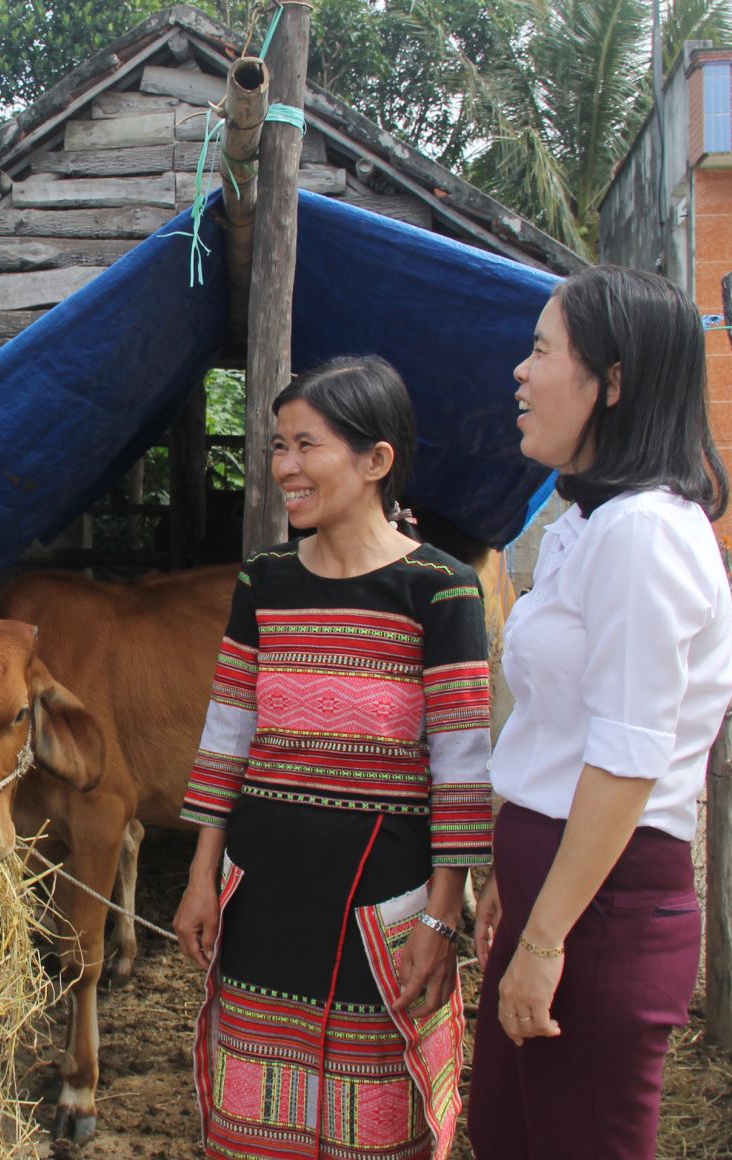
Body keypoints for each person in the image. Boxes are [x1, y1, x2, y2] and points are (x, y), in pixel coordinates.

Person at [173, 356, 494, 1159]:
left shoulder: (442, 591)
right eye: (278, 446)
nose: (284, 467)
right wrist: (200, 876)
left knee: (373, 1126)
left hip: (384, 905)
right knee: (258, 1127)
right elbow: (227, 735)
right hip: (264, 897)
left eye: (305, 445)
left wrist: (441, 916)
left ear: (375, 461)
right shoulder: (266, 581)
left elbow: (461, 772)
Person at [468, 265, 732, 1159]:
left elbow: (627, 759)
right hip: (559, 891)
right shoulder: (589, 523)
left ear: (611, 383)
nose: (520, 371)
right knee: (511, 1136)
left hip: (601, 913)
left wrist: (546, 940)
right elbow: (560, 731)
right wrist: (515, 883)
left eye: (542, 351)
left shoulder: (643, 534)